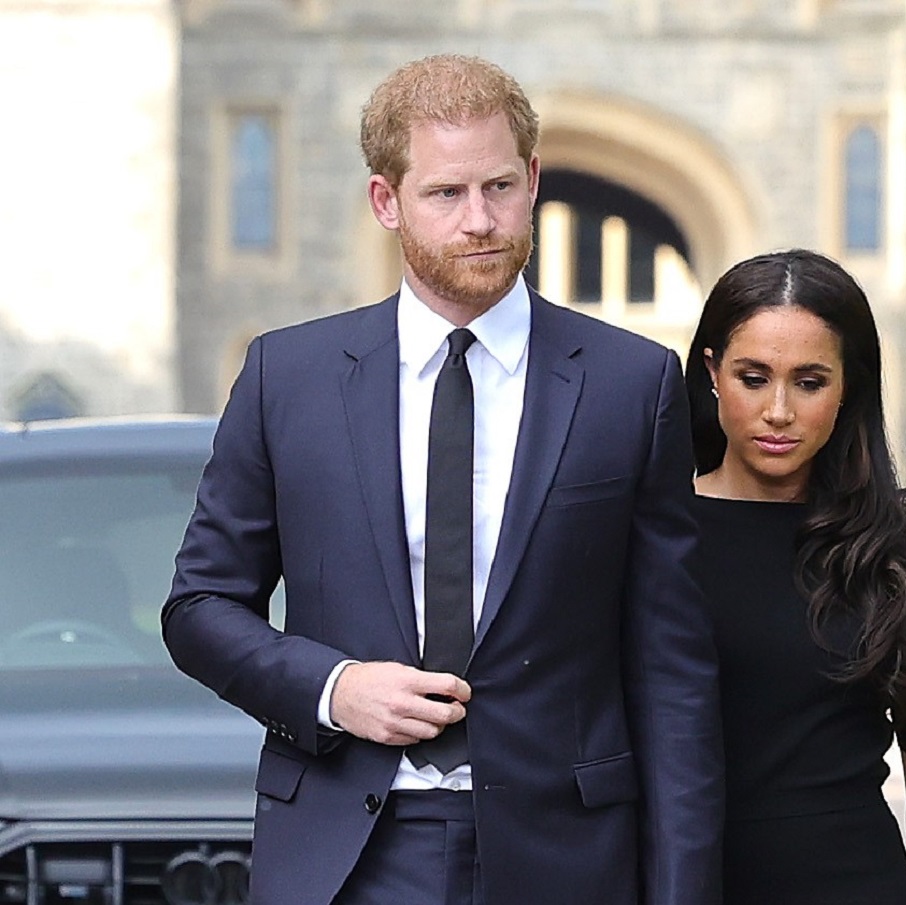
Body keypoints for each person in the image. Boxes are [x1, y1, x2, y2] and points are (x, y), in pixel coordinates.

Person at [162, 53, 722, 905]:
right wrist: (334, 687)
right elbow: (200, 606)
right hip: (349, 852)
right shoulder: (288, 376)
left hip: (566, 858)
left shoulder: (632, 384)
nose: (480, 221)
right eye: (446, 194)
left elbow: (671, 671)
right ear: (387, 201)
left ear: (534, 178)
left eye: (500, 186)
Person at [684, 249, 906, 905]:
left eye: (810, 381)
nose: (779, 411)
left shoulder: (905, 561)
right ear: (712, 371)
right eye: (753, 377)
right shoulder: (649, 538)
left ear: (849, 386)